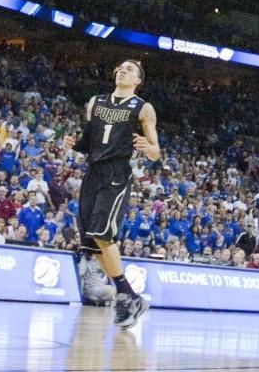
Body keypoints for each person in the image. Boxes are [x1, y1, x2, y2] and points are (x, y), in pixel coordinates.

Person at [64, 59, 160, 329]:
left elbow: (156, 152)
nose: (122, 70)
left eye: (129, 69)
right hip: (93, 173)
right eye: (119, 67)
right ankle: (129, 295)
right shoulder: (95, 102)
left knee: (102, 234)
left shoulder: (143, 108)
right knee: (91, 247)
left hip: (116, 174)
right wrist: (74, 144)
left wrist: (145, 146)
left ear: (138, 80)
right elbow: (87, 142)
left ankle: (126, 295)